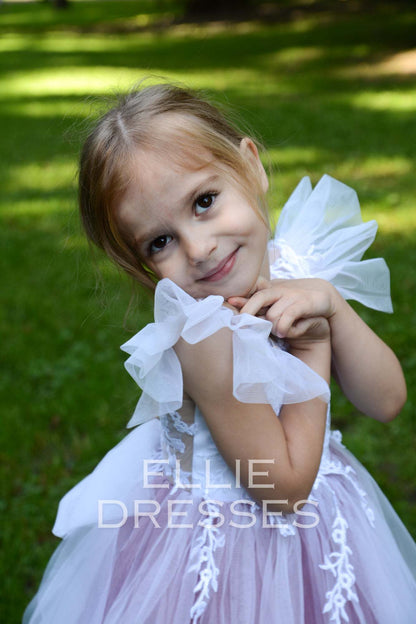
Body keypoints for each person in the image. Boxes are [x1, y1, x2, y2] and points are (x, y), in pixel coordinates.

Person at [24, 83, 416, 624]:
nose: (199, 248)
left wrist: (334, 307)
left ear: (250, 167)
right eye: (160, 242)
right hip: (233, 541)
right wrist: (313, 343)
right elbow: (282, 488)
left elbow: (388, 399)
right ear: (140, 265)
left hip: (325, 515)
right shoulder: (204, 337)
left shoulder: (296, 264)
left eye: (204, 202)